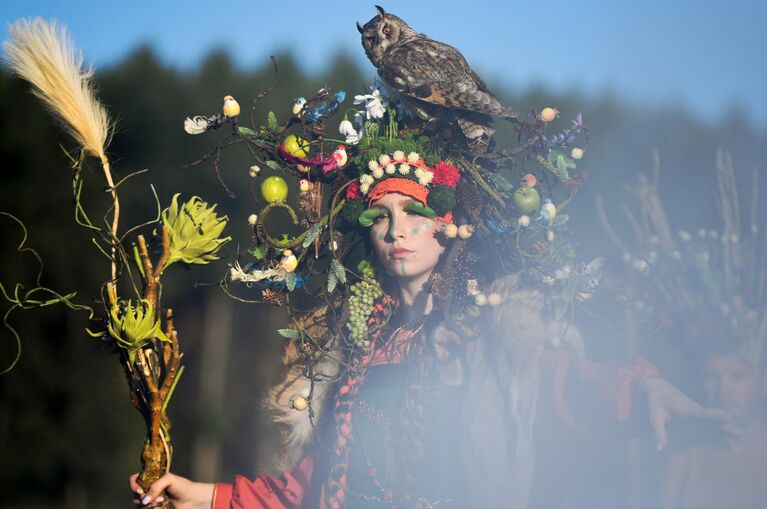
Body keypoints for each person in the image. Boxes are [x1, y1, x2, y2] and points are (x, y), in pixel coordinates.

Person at [132, 151, 730, 509]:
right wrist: (208, 496)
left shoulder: (492, 337)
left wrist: (641, 388)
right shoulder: (360, 348)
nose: (397, 230)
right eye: (381, 217)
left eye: (415, 214)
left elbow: (559, 384)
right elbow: (315, 487)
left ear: (449, 227)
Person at [662, 345, 767, 509]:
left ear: (763, 380)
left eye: (737, 376)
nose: (723, 388)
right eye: (710, 377)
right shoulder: (683, 467)